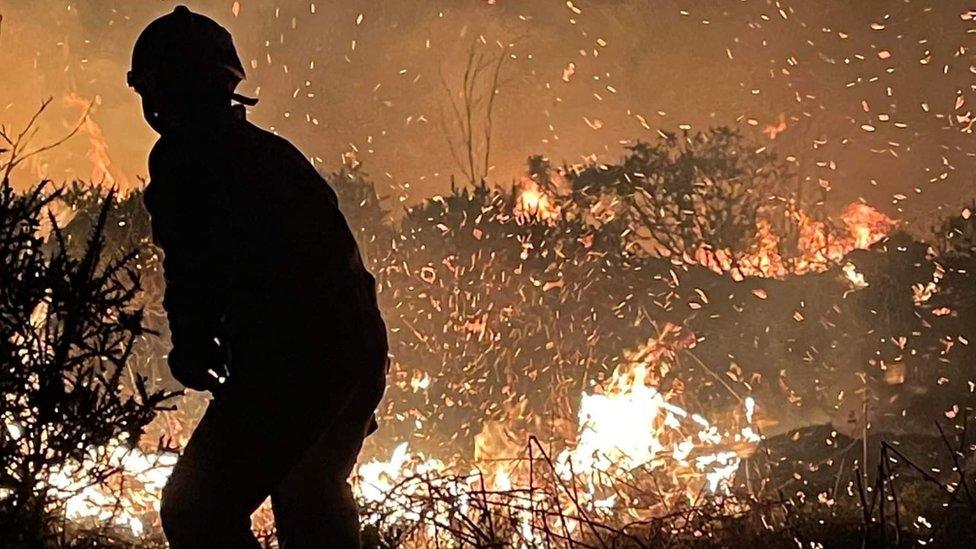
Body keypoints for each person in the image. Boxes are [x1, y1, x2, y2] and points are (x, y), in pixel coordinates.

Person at [128, 6, 387, 547]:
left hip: (294, 363)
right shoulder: (272, 153)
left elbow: (194, 261)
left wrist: (193, 342)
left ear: (157, 88)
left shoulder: (186, 158)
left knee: (197, 508)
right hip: (355, 353)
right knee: (312, 498)